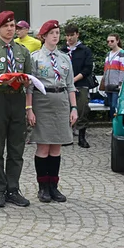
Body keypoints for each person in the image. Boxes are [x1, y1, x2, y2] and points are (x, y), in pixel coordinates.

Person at [0, 10, 33, 208]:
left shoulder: (22, 51)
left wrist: (23, 81)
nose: (11, 29)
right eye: (7, 26)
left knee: (16, 148)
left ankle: (13, 189)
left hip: (17, 101)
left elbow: (30, 80)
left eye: (13, 26)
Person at [26, 20, 78, 204]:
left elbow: (71, 85)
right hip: (42, 102)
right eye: (52, 33)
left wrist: (74, 108)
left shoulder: (64, 58)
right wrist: (29, 109)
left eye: (57, 32)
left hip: (61, 102)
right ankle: (43, 187)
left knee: (56, 146)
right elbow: (30, 86)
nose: (56, 35)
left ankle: (54, 186)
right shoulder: (35, 58)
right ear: (44, 36)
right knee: (43, 146)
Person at [62, 24, 93, 148]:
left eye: (72, 35)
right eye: (67, 35)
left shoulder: (85, 50)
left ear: (77, 34)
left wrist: (73, 80)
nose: (69, 38)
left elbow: (87, 68)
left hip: (81, 84)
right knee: (65, 110)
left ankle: (82, 137)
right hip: (65, 85)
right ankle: (66, 136)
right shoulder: (62, 51)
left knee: (82, 109)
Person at [102, 34, 124, 120]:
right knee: (110, 105)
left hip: (116, 85)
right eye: (108, 41)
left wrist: (120, 83)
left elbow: (123, 69)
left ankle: (115, 125)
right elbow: (105, 69)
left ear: (117, 41)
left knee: (114, 106)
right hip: (108, 85)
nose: (109, 43)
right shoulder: (108, 54)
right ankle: (113, 125)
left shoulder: (122, 53)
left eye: (112, 41)